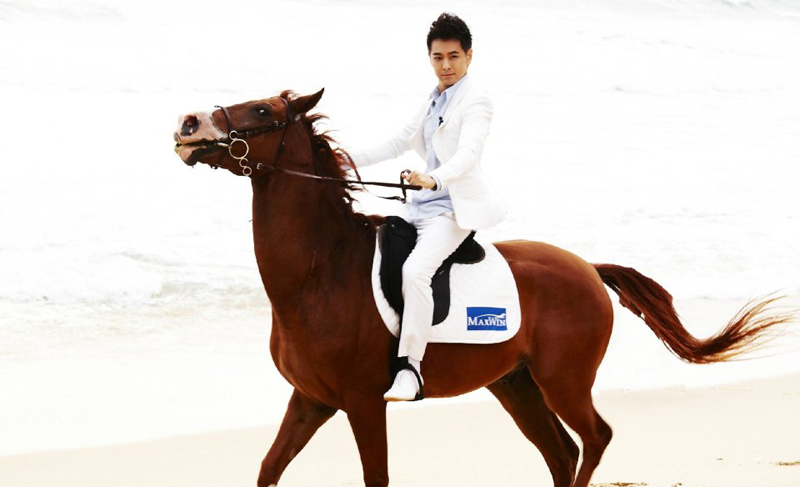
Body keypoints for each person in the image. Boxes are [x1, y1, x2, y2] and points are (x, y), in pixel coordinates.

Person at [351, 12, 505, 401]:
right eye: (438, 57)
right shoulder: (433, 100)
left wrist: (433, 178)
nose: (446, 65)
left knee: (416, 271)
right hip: (418, 206)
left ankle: (410, 369)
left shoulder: (477, 101)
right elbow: (395, 143)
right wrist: (340, 160)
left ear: (469, 56)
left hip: (451, 211)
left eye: (453, 56)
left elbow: (468, 154)